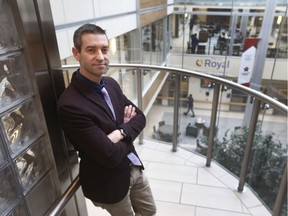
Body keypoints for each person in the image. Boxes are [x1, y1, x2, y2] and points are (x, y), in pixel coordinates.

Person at [57, 24, 157, 216]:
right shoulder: (70, 105)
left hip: (134, 166)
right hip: (109, 182)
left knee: (150, 212)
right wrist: (127, 127)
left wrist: (120, 132)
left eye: (104, 49)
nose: (101, 57)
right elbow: (108, 156)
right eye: (91, 50)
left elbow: (140, 118)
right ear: (76, 54)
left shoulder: (110, 84)